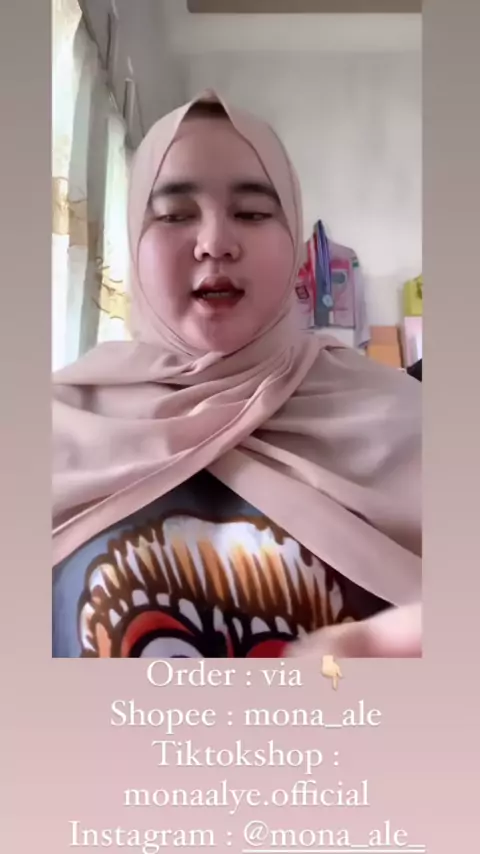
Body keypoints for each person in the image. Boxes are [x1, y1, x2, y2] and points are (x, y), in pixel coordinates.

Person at [52, 91, 421, 659]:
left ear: (296, 244)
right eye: (174, 214)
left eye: (251, 213)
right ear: (133, 241)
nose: (215, 244)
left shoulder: (408, 423)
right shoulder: (51, 425)